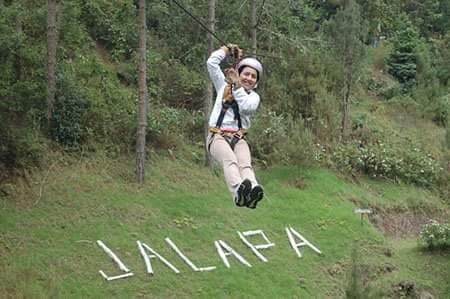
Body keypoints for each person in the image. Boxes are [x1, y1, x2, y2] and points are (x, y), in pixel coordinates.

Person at [206, 44, 264, 209]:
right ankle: (237, 191)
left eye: (253, 76)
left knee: (245, 164)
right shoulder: (223, 86)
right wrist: (226, 50)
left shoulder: (254, 97)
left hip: (238, 138)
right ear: (239, 74)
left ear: (256, 83)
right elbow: (211, 63)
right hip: (217, 136)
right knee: (230, 160)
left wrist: (237, 85)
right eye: (246, 74)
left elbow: (245, 107)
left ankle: (252, 191)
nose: (248, 78)